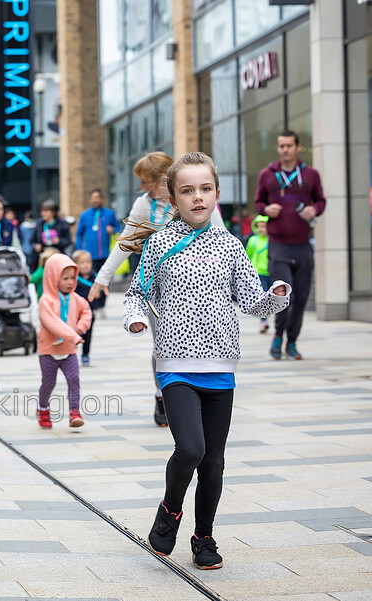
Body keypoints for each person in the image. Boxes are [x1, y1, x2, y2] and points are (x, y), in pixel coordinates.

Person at [122, 152, 290, 571]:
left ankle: (204, 536)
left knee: (214, 460)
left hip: (221, 368)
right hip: (175, 364)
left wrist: (276, 297)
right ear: (173, 198)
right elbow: (136, 293)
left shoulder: (231, 246)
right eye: (187, 190)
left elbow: (252, 303)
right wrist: (138, 318)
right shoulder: (160, 242)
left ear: (216, 192)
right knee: (191, 449)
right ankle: (170, 510)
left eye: (205, 189)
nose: (197, 197)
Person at [90, 151, 224, 427]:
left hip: (198, 287)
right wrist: (101, 279)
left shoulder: (196, 199)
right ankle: (162, 395)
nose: (142, 187)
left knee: (199, 339)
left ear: (163, 180)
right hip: (159, 289)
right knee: (162, 344)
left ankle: (198, 393)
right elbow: (125, 241)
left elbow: (221, 240)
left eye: (146, 181)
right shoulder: (144, 204)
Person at [254, 130, 325, 361]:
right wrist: (265, 209)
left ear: (298, 148)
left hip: (302, 245)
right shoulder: (267, 175)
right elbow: (258, 202)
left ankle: (292, 342)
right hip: (279, 245)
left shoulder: (311, 174)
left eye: (289, 145)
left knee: (302, 297)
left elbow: (321, 200)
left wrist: (315, 209)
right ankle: (277, 335)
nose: (285, 149)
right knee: (285, 295)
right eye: (281, 146)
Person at [36, 252, 92, 429]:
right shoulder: (46, 301)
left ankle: (74, 412)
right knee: (48, 383)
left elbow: (87, 312)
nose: (70, 282)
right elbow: (51, 323)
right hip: (48, 351)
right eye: (65, 278)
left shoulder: (76, 298)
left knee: (74, 379)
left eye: (72, 278)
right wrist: (73, 336)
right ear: (53, 278)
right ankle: (42, 408)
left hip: (69, 350)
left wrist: (80, 328)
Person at [71, 249, 99, 366]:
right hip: (76, 313)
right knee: (75, 333)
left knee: (88, 334)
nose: (86, 265)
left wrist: (99, 295)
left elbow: (102, 293)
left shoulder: (96, 278)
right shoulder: (73, 279)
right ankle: (72, 353)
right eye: (82, 262)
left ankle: (85, 354)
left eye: (88, 262)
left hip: (90, 312)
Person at [245, 215, 271, 334]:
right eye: (258, 226)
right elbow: (247, 257)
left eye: (264, 226)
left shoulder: (272, 240)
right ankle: (263, 321)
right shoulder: (252, 240)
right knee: (263, 298)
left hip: (272, 272)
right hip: (259, 274)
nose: (261, 229)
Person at [32, 199, 71, 266]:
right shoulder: (39, 224)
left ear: (54, 212)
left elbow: (68, 241)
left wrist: (59, 241)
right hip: (42, 258)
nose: (43, 213)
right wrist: (36, 246)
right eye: (42, 211)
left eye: (46, 211)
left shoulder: (62, 224)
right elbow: (32, 241)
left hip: (58, 257)